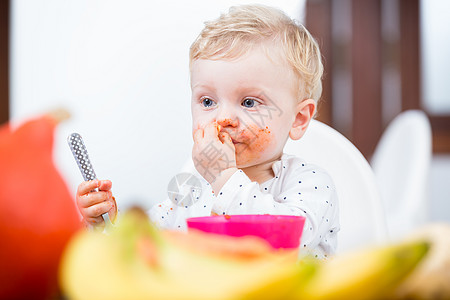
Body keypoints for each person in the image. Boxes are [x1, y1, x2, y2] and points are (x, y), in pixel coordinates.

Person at [76, 4, 339, 258]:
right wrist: (107, 225)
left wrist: (224, 177)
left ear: (298, 119)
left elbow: (285, 243)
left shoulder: (310, 184)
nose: (223, 118)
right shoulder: (192, 184)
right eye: (207, 102)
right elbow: (150, 249)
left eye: (249, 102)